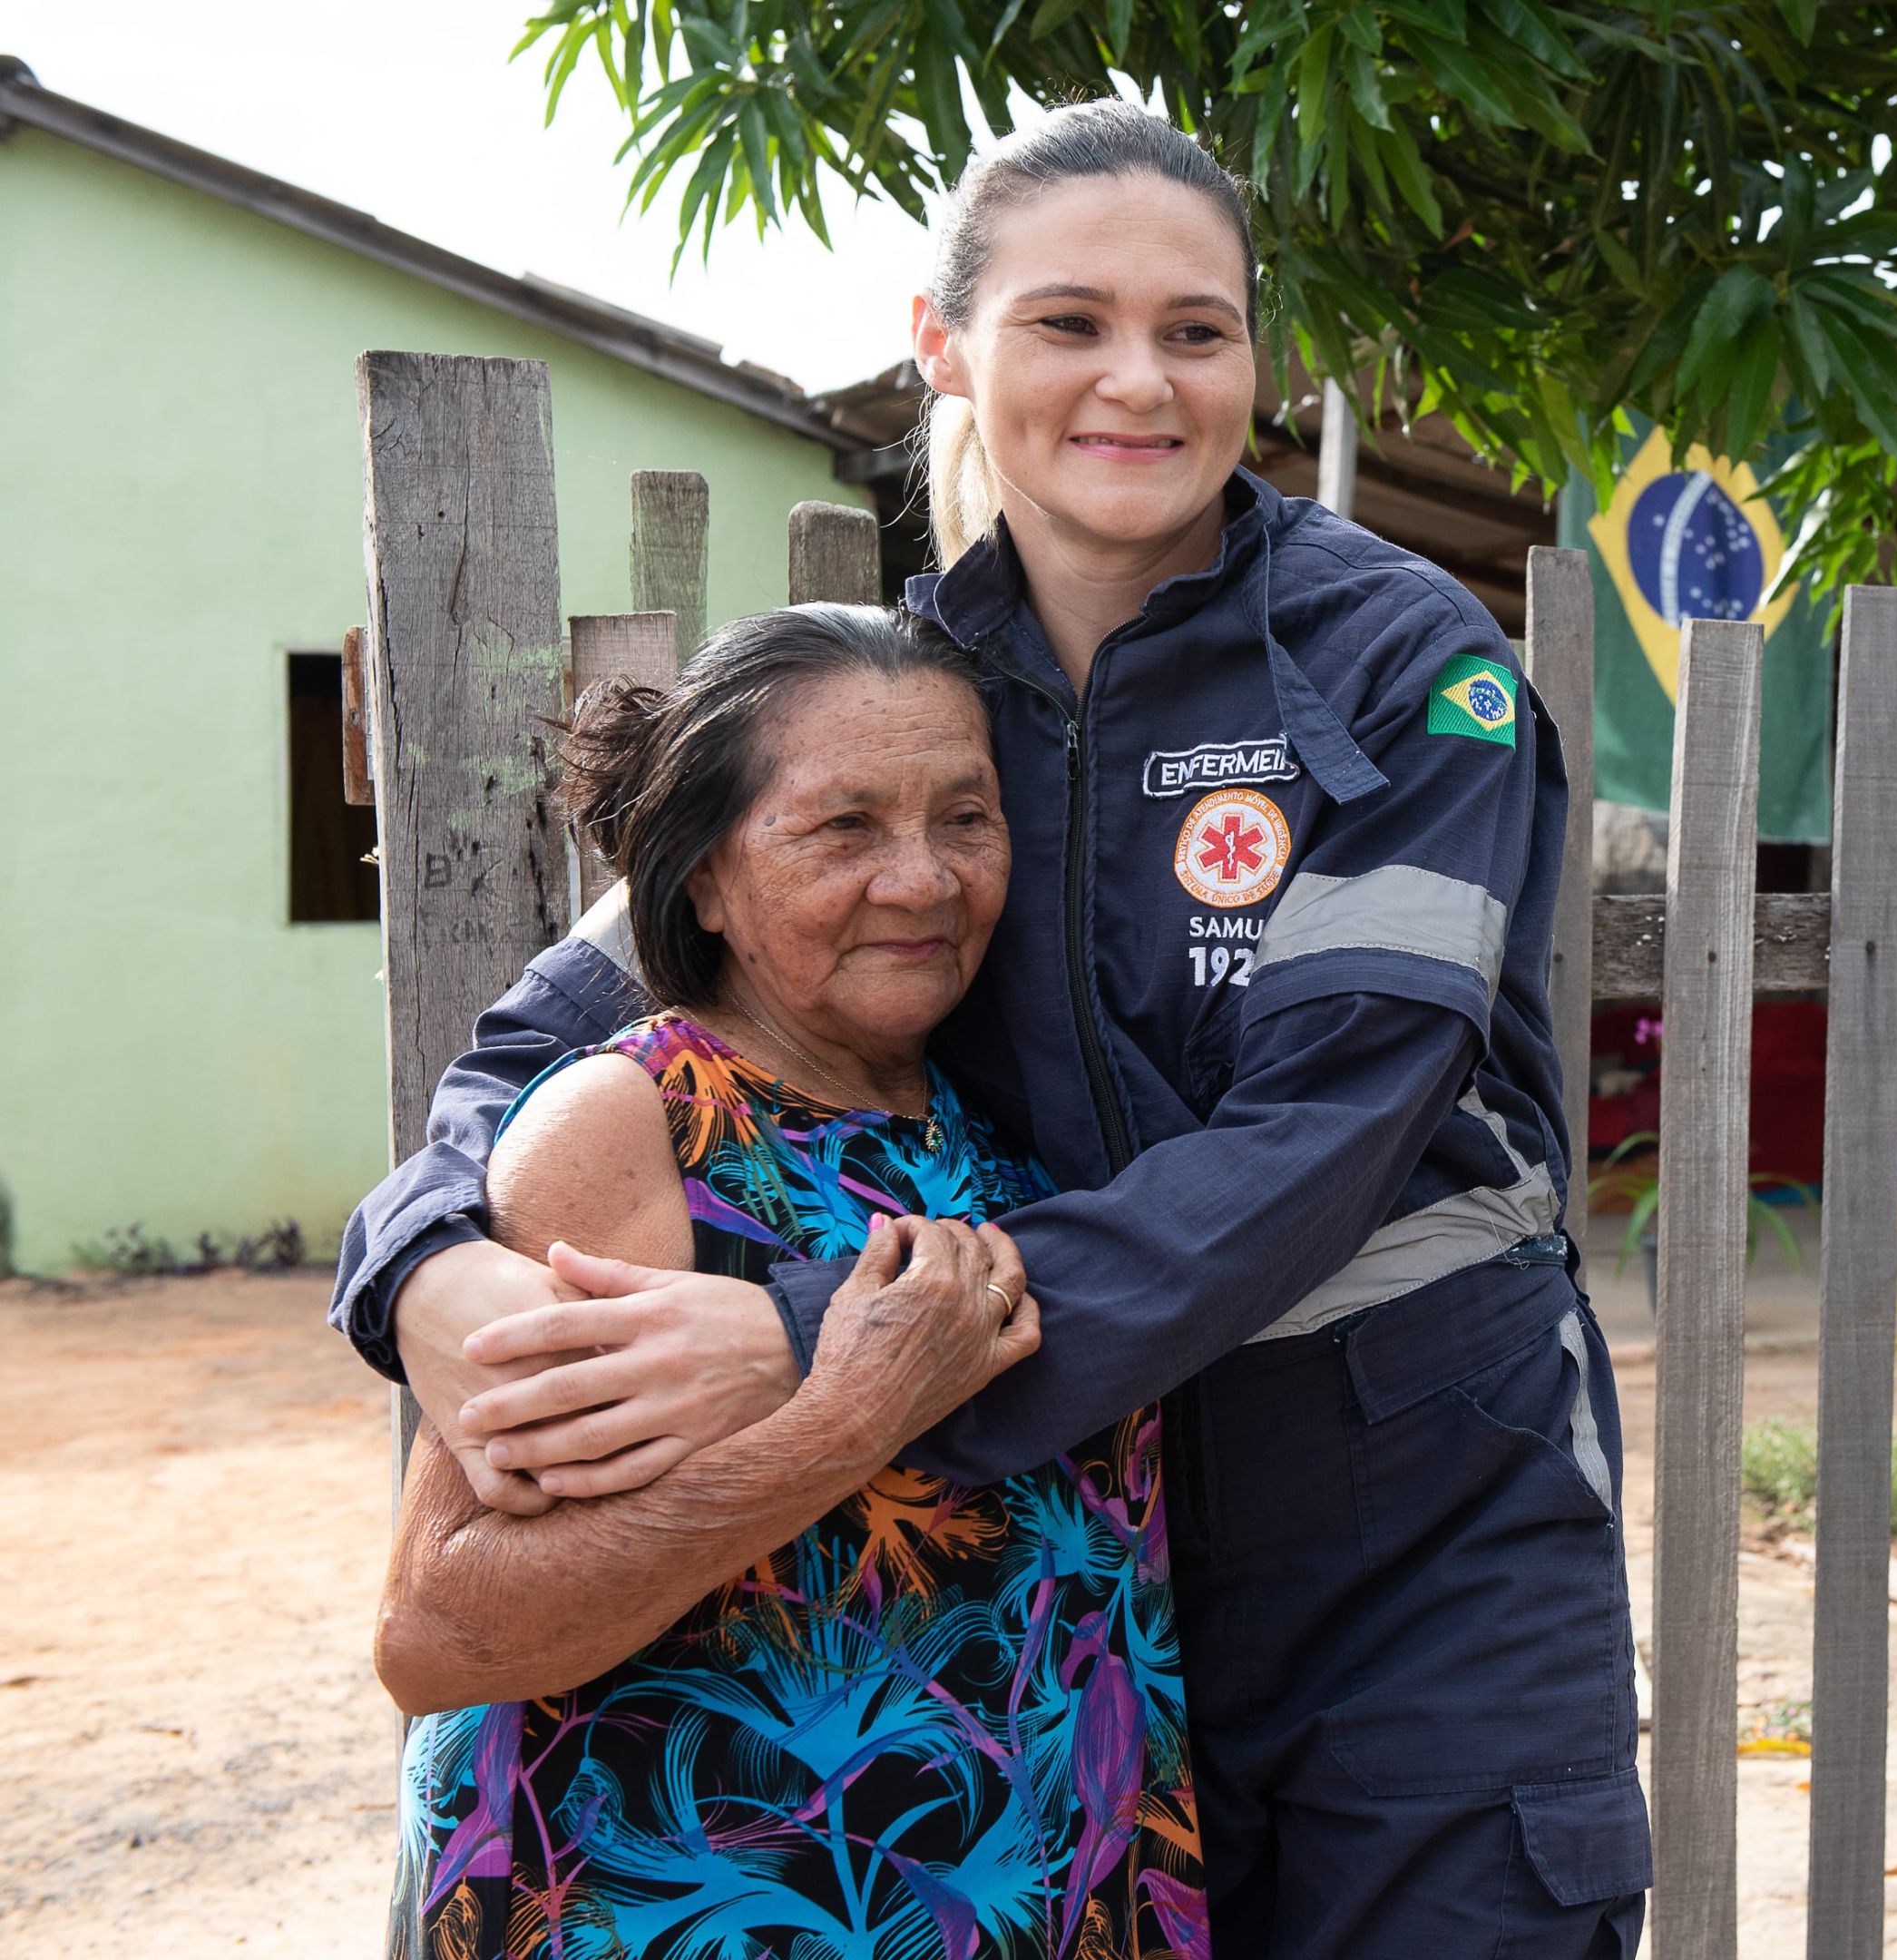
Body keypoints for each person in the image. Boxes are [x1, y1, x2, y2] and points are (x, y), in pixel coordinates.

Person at [333, 100, 1648, 1956]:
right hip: (1064, 1553)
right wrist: (419, 1272)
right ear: (944, 344)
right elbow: (530, 1047)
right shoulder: (905, 711)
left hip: (1415, 1539)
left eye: (1197, 330)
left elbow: (1321, 1145)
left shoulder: (1399, 671)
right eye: (1067, 322)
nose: (1139, 380)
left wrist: (803, 1337)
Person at [377, 603, 1203, 1956]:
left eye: (966, 819)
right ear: (702, 876)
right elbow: (439, 1631)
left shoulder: (1015, 1136)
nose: (925, 880)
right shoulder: (633, 1125)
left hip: (1038, 1897)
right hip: (687, 1913)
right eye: (844, 828)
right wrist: (844, 1422)